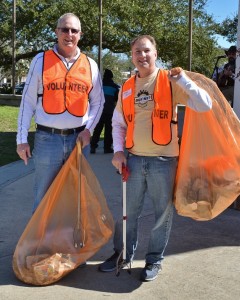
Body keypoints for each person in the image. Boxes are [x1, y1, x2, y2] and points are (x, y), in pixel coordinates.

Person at [98, 35, 212, 282]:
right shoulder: (127, 86)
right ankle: (123, 254)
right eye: (137, 52)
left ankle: (153, 260)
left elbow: (205, 104)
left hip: (164, 161)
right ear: (132, 56)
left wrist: (183, 79)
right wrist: (118, 151)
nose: (142, 56)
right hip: (134, 160)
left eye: (147, 50)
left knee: (162, 214)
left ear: (156, 53)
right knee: (128, 213)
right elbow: (118, 123)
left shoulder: (170, 81)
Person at [16, 13, 104, 213]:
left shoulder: (91, 65)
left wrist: (89, 130)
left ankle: (70, 241)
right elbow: (27, 102)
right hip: (48, 139)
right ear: (56, 32)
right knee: (43, 196)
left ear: (80, 34)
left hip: (79, 141)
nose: (69, 34)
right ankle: (40, 243)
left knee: (76, 196)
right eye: (64, 29)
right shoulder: (41, 61)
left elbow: (99, 102)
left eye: (74, 30)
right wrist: (21, 139)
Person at [90, 69, 120, 154]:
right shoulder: (115, 87)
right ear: (111, 76)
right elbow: (117, 100)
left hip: (99, 111)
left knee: (98, 129)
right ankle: (107, 148)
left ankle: (93, 146)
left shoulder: (99, 85)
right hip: (110, 111)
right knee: (108, 130)